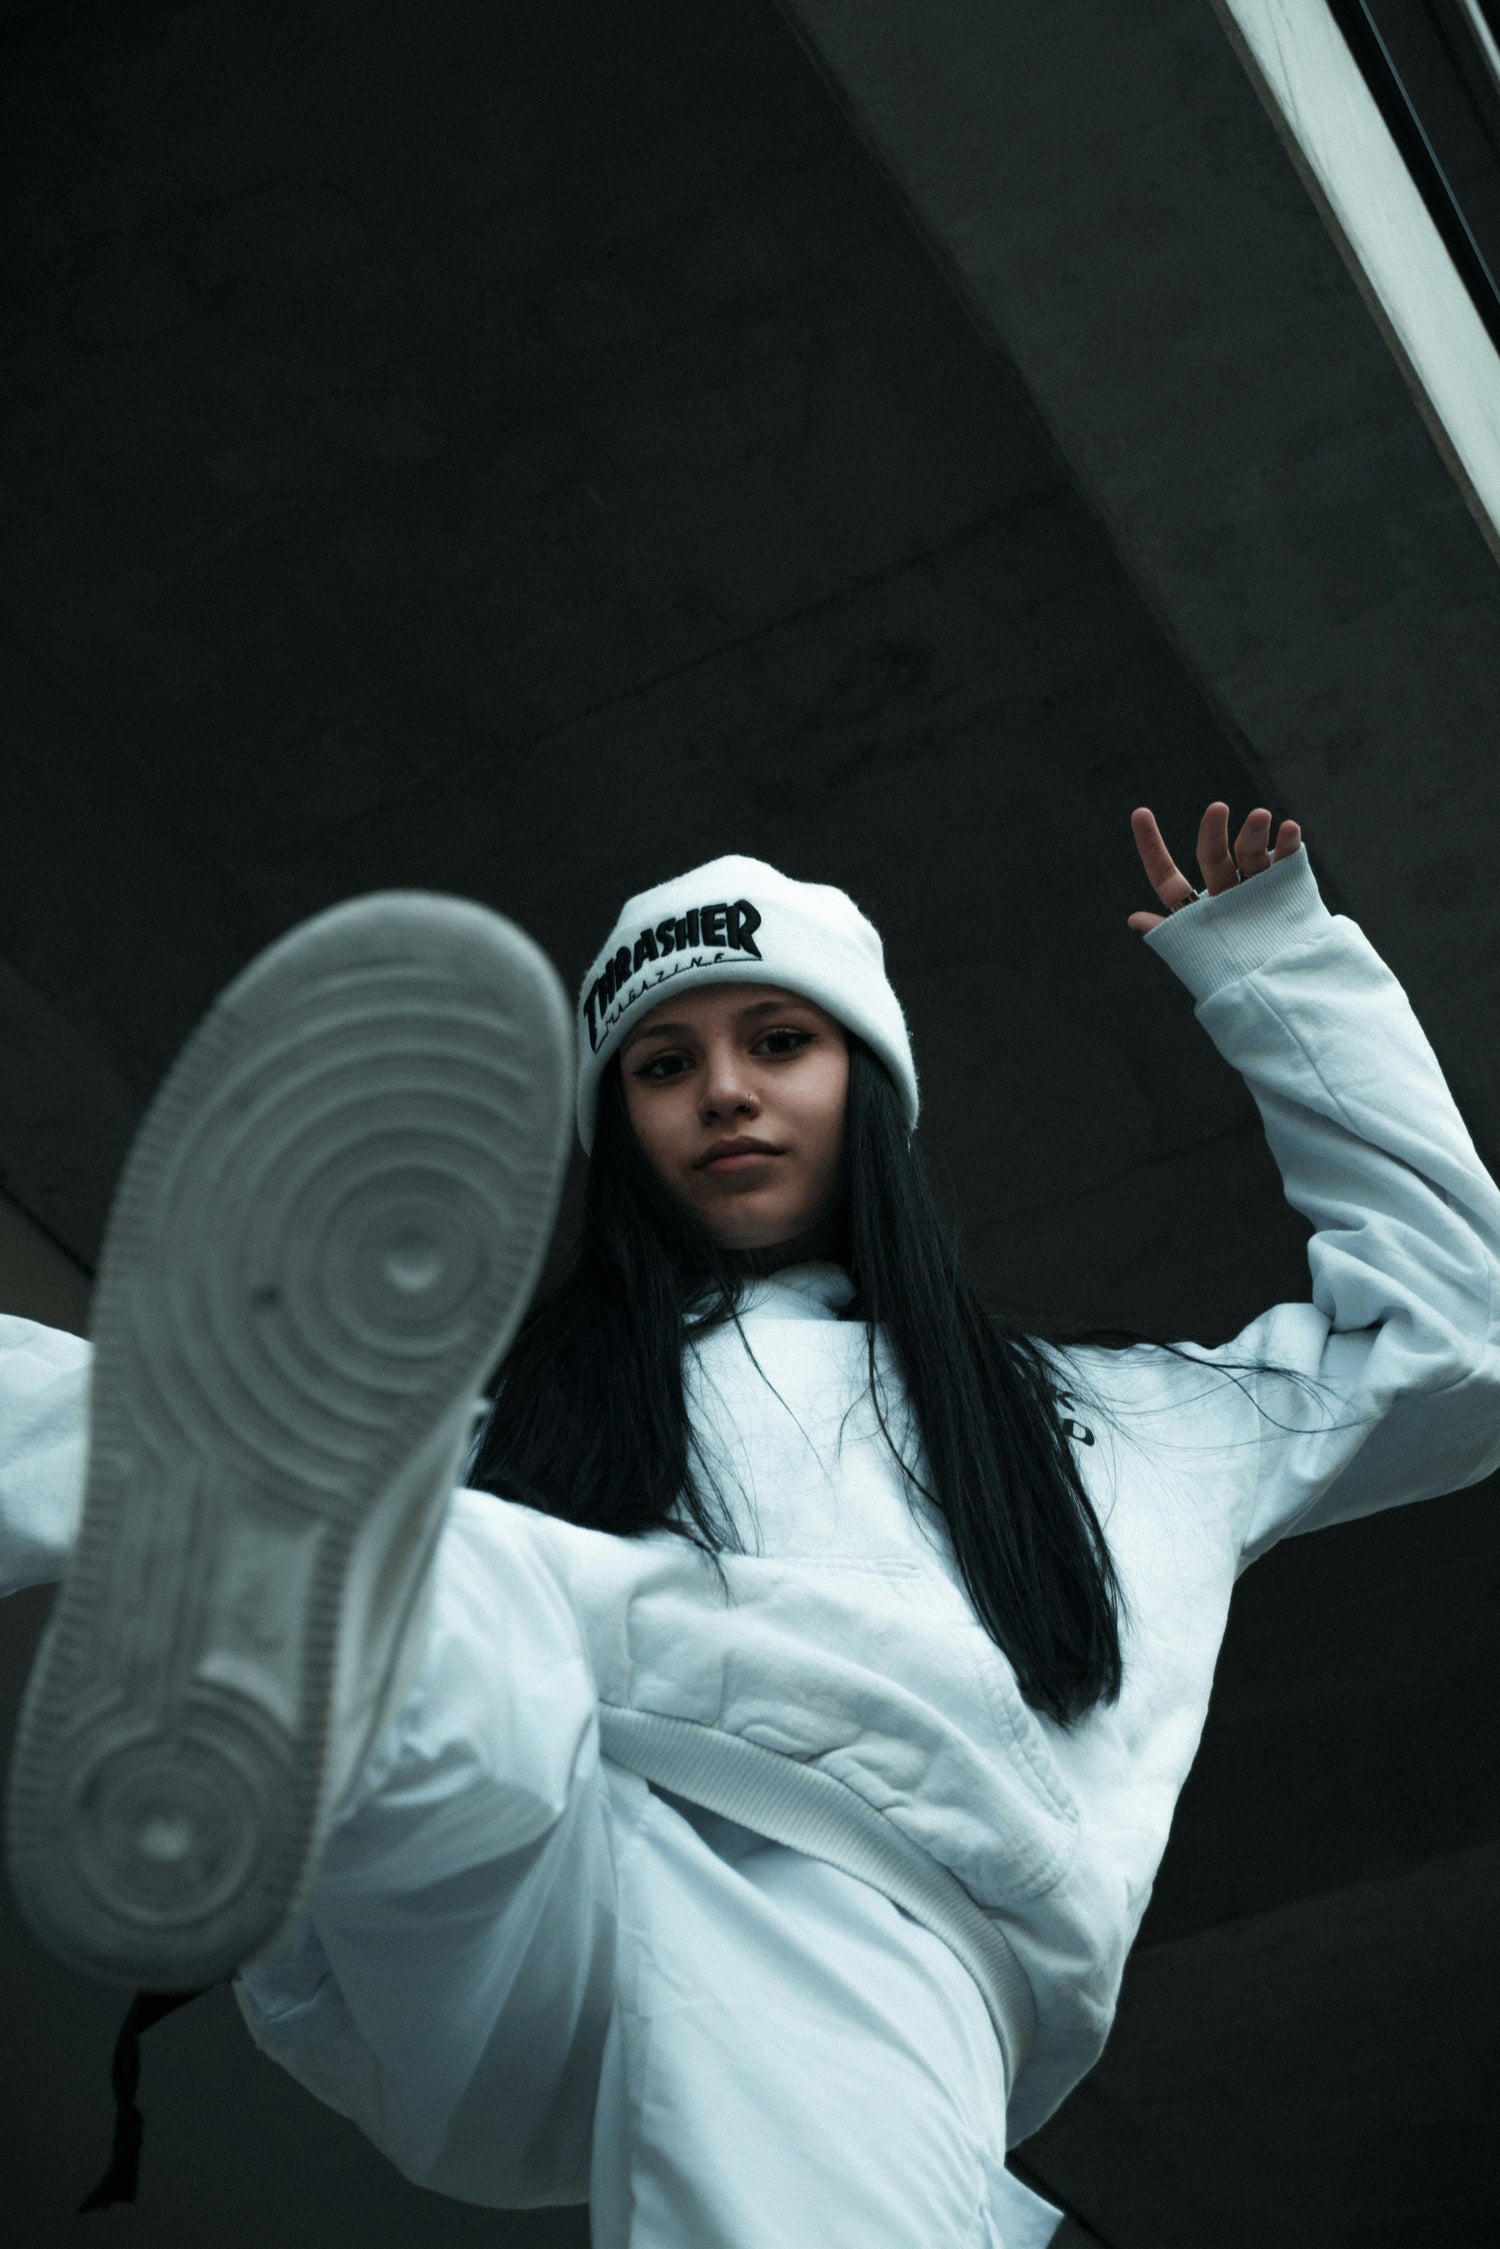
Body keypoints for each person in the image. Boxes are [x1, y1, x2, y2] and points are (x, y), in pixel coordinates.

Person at [3, 803, 1498, 2247]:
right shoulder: (527, 1433)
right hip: (525, 1905)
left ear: (869, 1084)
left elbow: (1458, 1341)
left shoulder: (1115, 1425)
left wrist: (1275, 965)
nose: (723, 1092)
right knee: (366, 1543)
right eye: (664, 1065)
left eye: (778, 1040)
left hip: (885, 1917)